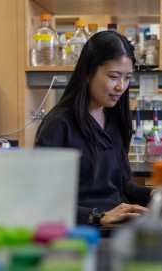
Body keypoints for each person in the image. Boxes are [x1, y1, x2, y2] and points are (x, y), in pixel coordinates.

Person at [34, 30, 152, 227]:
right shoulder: (59, 124)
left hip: (117, 222)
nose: (121, 87)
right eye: (114, 77)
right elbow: (40, 198)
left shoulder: (114, 119)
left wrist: (155, 195)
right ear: (88, 73)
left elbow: (122, 184)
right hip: (85, 228)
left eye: (127, 77)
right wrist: (97, 216)